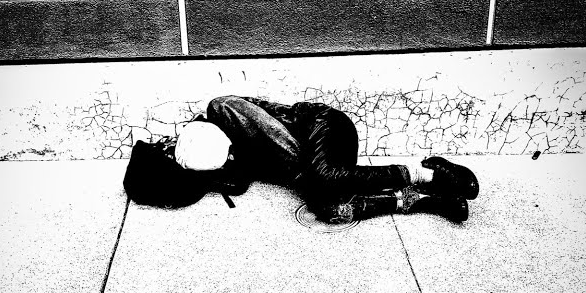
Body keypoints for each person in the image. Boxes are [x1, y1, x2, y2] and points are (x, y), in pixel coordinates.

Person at [172, 95, 480, 224]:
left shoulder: (225, 109)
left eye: (229, 155)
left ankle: (429, 173)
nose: (232, 160)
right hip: (315, 164)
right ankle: (425, 201)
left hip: (324, 129)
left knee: (323, 179)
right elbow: (238, 184)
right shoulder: (219, 153)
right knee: (330, 209)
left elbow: (288, 150)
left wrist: (308, 181)